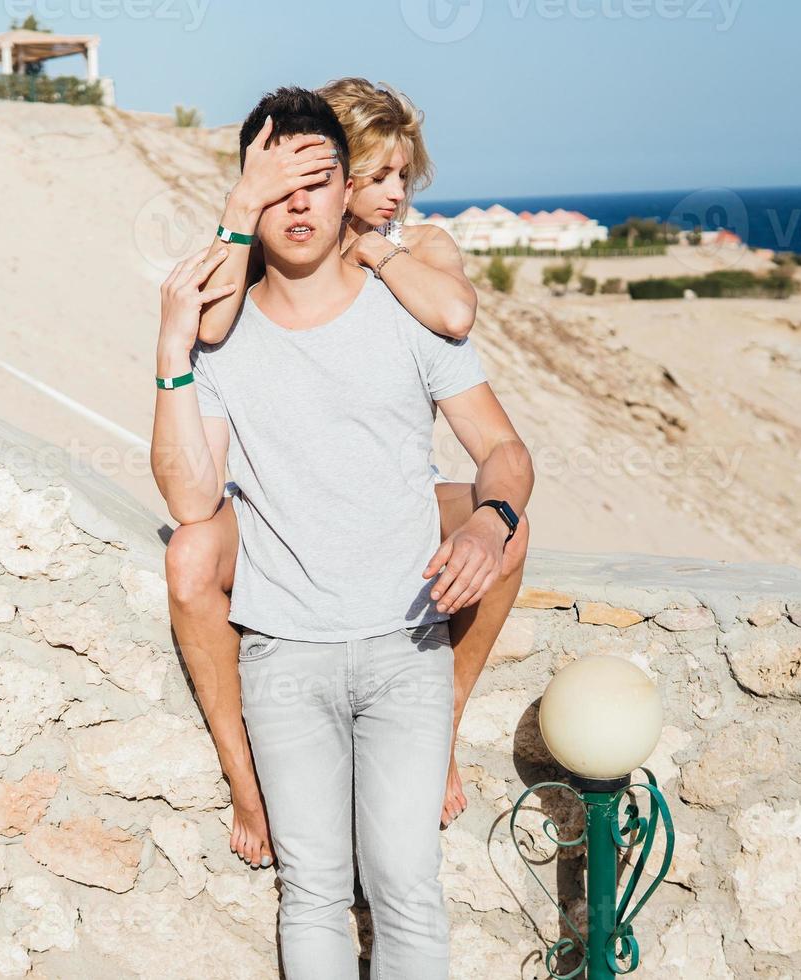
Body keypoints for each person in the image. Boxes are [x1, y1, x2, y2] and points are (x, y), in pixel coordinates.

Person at [150, 86, 533, 977]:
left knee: (406, 885)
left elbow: (505, 450)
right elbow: (189, 499)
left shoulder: (406, 305)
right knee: (314, 891)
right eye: (273, 185)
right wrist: (171, 356)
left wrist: (488, 520)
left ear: (344, 189)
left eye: (318, 181)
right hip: (284, 656)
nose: (299, 203)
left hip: (407, 649)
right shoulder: (221, 331)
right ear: (246, 195)